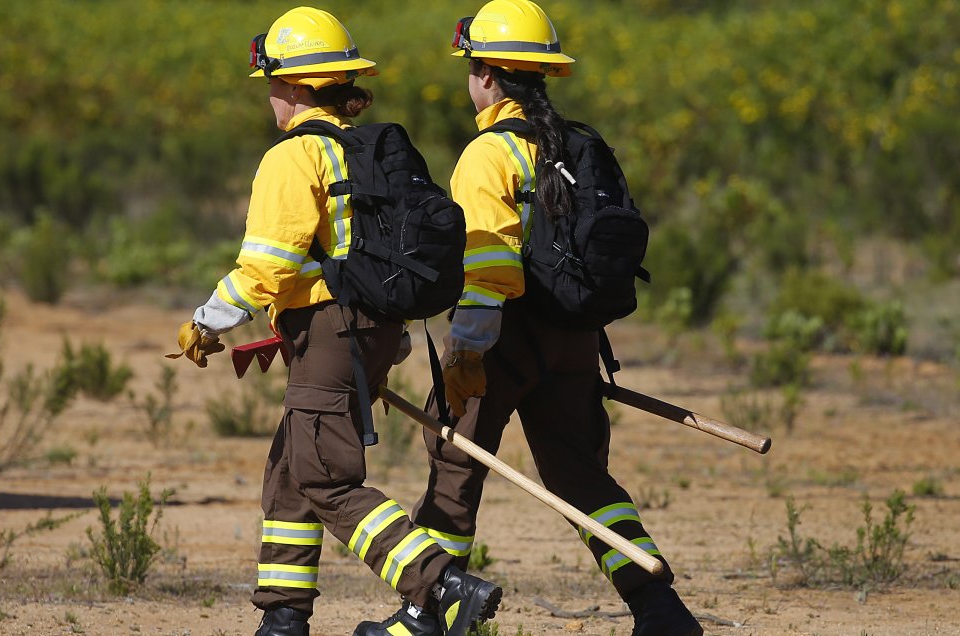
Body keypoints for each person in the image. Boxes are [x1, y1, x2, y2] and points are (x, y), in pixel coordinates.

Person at [355, 1, 703, 635]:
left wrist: (464, 353)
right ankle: (661, 610)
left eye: (471, 70)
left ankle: (428, 618)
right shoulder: (578, 144)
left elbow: (489, 270)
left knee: (456, 470)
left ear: (488, 75)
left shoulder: (490, 154)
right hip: (575, 341)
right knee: (583, 479)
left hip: (502, 341)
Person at [171, 7, 501, 636]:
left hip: (330, 332)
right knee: (293, 473)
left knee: (326, 474)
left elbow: (268, 265)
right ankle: (284, 618)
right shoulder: (361, 151)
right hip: (366, 331)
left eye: (272, 82)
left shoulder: (293, 158)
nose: (268, 95)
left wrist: (208, 321)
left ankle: (441, 585)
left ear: (295, 86)